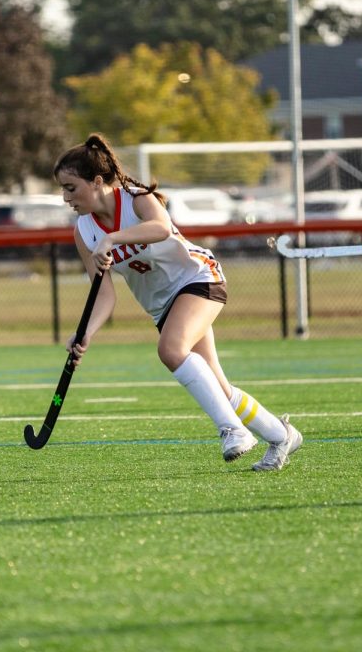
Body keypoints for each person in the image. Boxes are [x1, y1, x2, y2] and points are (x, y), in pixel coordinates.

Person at [54, 134, 302, 471]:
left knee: (170, 350)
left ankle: (233, 430)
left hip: (198, 279)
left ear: (97, 182)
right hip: (162, 305)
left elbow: (161, 228)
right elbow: (104, 293)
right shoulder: (84, 231)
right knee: (217, 386)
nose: (65, 197)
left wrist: (114, 237)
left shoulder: (136, 198)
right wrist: (85, 334)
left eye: (70, 188)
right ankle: (281, 435)